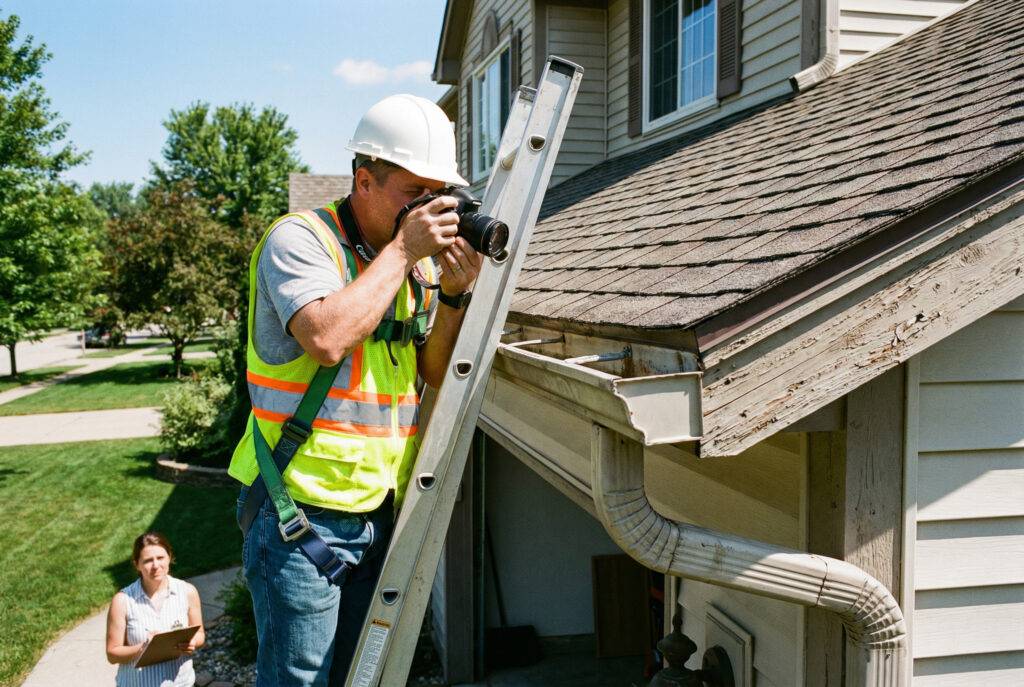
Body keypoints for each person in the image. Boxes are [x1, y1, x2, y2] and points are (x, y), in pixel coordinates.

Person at [227, 93, 480, 686]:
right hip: (301, 516)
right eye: (412, 193)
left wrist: (453, 296)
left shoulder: (412, 268)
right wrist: (403, 251)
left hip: (378, 513)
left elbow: (434, 370)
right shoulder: (301, 241)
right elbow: (326, 338)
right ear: (363, 180)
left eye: (436, 194)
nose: (430, 210)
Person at [105, 532, 205, 687]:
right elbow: (112, 653)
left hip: (180, 683)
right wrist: (144, 648)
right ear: (136, 564)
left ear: (169, 557)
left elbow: (199, 634)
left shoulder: (187, 592)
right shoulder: (123, 601)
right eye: (147, 561)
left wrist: (192, 642)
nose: (156, 565)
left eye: (160, 558)